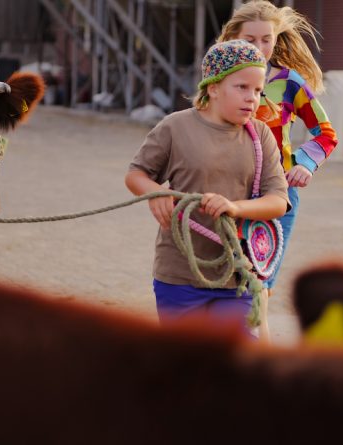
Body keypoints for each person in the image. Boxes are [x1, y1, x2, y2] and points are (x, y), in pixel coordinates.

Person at [125, 40, 289, 336]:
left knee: (236, 360)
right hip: (180, 274)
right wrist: (155, 193)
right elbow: (136, 174)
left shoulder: (261, 136)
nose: (252, 98)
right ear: (212, 88)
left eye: (257, 90)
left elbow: (278, 200)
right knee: (186, 364)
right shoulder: (175, 127)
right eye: (241, 87)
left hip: (238, 274)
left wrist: (235, 207)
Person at [219, 0, 339, 339]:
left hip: (277, 198)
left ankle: (260, 366)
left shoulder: (289, 84)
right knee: (229, 285)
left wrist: (304, 164)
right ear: (233, 39)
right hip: (226, 195)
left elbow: (326, 133)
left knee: (259, 289)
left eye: (266, 40)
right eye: (250, 40)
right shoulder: (219, 80)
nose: (259, 48)